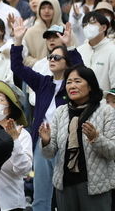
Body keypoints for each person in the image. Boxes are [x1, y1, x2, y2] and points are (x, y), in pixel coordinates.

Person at [10, 17, 83, 211]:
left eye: (57, 58)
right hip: (43, 142)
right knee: (41, 196)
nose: (51, 60)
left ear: (67, 62)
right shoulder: (43, 82)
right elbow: (17, 68)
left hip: (68, 143)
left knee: (66, 196)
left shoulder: (75, 85)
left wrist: (71, 47)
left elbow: (83, 72)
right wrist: (18, 41)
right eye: (50, 57)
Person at [39, 65, 115, 210]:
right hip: (64, 185)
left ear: (90, 85)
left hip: (95, 186)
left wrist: (96, 138)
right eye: (68, 82)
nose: (72, 86)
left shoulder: (106, 111)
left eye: (77, 81)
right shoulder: (61, 112)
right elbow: (49, 153)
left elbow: (113, 152)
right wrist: (46, 140)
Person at [77, 12, 115, 92]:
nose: (87, 27)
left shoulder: (112, 51)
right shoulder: (79, 50)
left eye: (92, 23)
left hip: (104, 102)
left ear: (104, 27)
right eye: (85, 24)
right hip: (80, 101)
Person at [23, 0, 65, 67]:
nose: (46, 11)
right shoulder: (30, 32)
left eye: (50, 8)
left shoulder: (65, 30)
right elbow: (25, 56)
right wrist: (39, 63)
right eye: (43, 8)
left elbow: (73, 51)